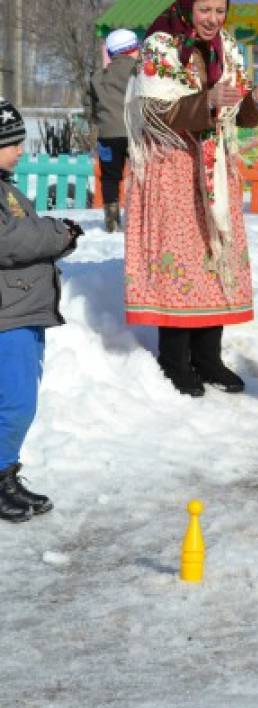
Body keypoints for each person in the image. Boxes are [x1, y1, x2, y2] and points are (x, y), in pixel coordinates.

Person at [124, 0, 258, 397]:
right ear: (187, 7)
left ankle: (208, 357)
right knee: (182, 259)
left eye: (220, 10)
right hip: (174, 169)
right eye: (205, 9)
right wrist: (209, 101)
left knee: (215, 257)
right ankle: (175, 359)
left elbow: (237, 111)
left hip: (214, 165)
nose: (213, 19)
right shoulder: (160, 47)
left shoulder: (226, 47)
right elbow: (152, 112)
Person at [0, 98, 82, 521]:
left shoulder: (5, 187)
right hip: (8, 315)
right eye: (11, 142)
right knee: (14, 404)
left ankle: (6, 475)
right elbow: (9, 241)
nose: (19, 150)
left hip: (21, 311)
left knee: (16, 402)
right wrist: (58, 234)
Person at [90, 29, 140, 233]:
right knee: (141, 174)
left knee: (110, 177)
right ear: (135, 49)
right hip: (135, 133)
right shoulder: (140, 71)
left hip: (108, 134)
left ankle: (111, 221)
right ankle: (140, 218)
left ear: (110, 54)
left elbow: (93, 107)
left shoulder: (97, 77)